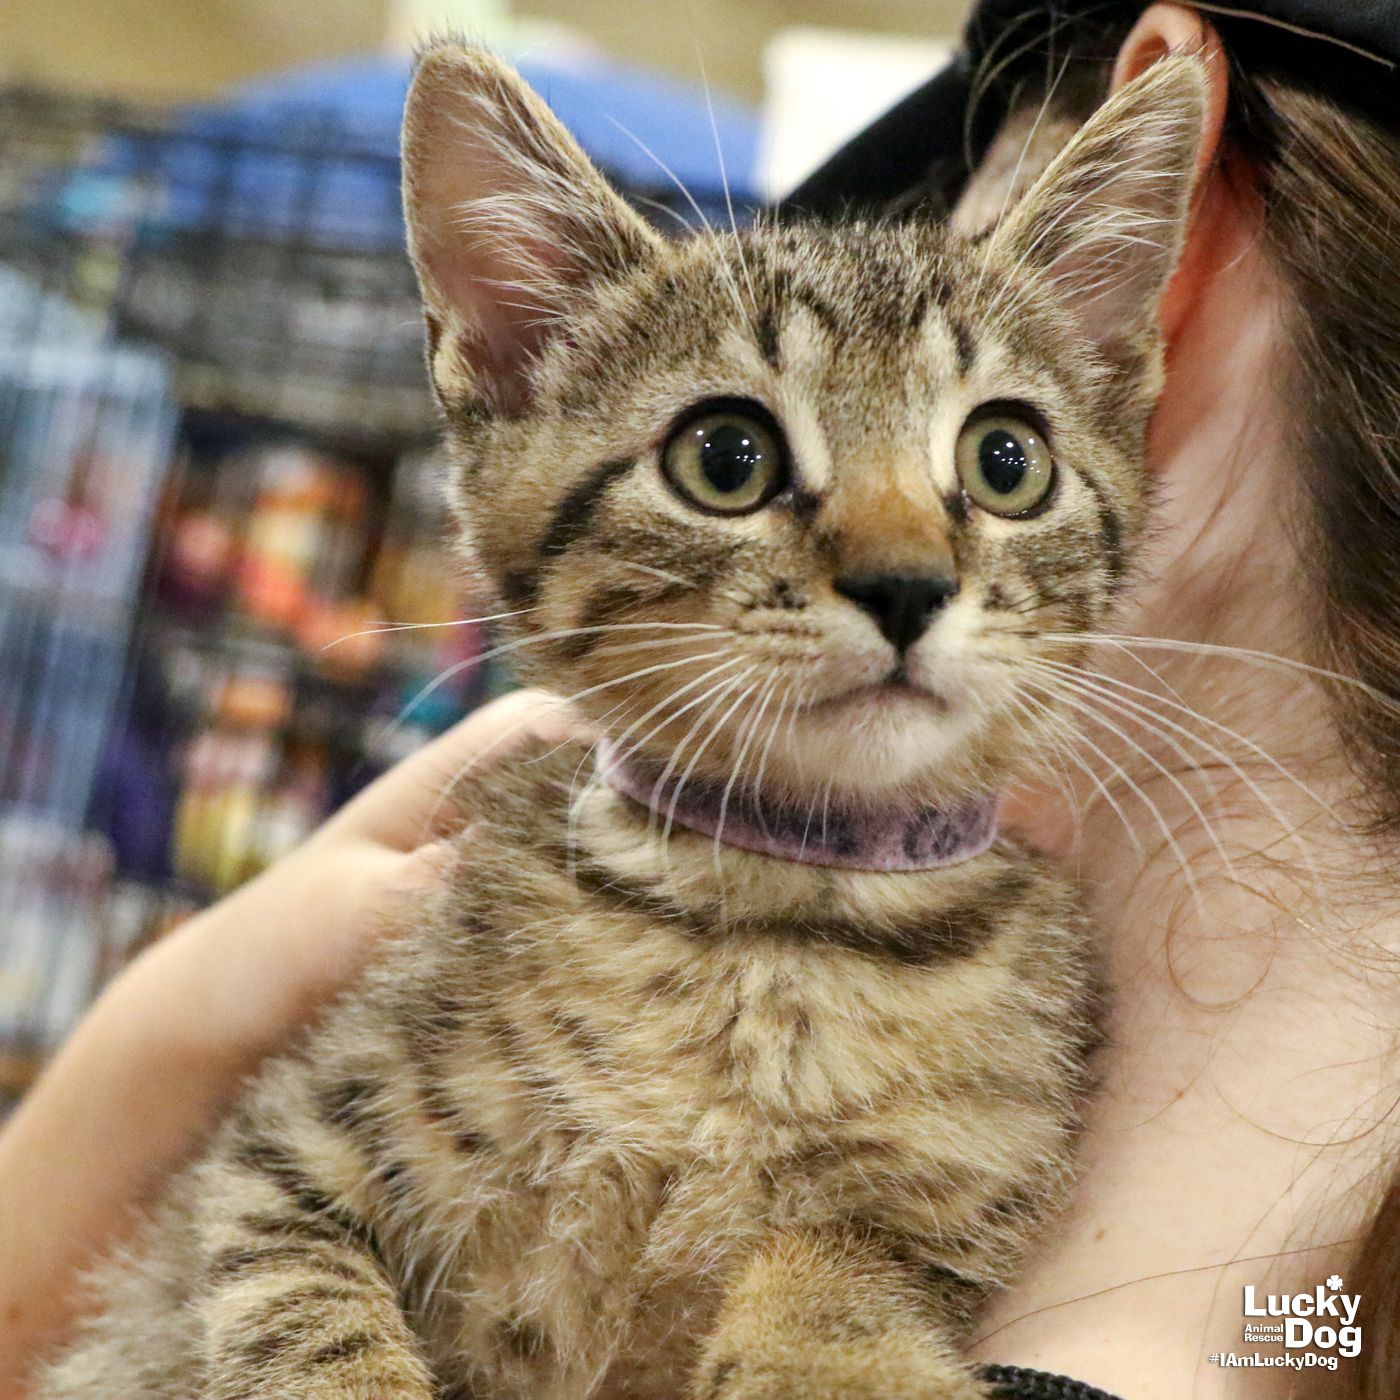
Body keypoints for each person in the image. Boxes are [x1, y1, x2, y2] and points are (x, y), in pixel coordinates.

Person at [2, 4, 1396, 1398]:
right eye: (730, 459)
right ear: (508, 369)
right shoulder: (489, 894)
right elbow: (296, 1201)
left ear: (1146, 315)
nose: (901, 566)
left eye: (1003, 458)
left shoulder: (1022, 1019)